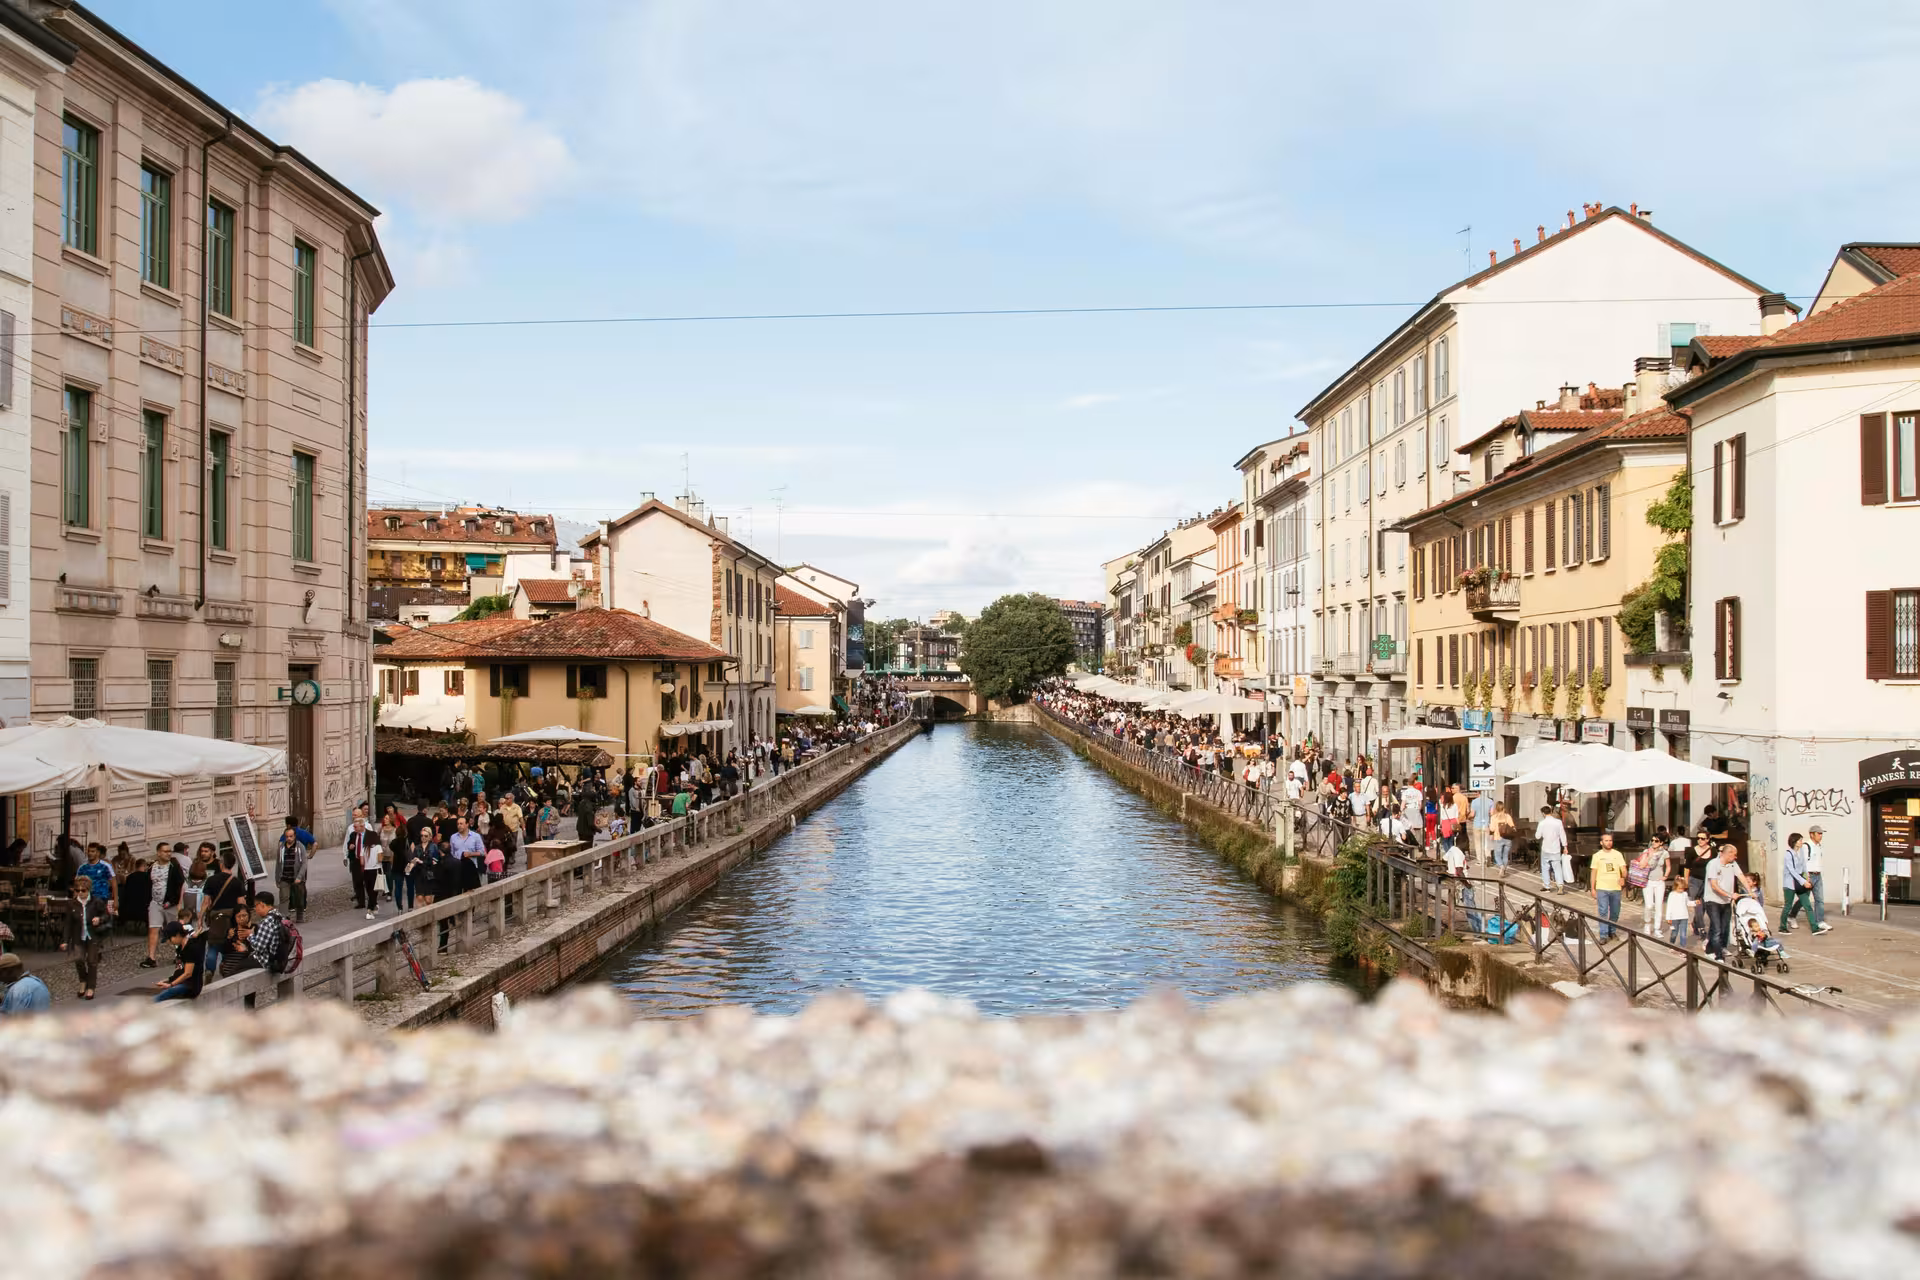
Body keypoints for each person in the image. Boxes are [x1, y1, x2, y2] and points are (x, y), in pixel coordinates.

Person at [59, 874, 111, 1000]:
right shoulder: (72, 904)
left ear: (88, 890)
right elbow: (68, 924)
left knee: (92, 961)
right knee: (79, 959)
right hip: (78, 937)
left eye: (83, 890)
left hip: (93, 936)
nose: (80, 893)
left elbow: (106, 915)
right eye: (77, 890)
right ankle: (83, 980)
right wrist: (65, 941)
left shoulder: (96, 902)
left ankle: (91, 987)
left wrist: (99, 919)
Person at [1702, 842, 1754, 961]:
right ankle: (1718, 955)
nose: (1736, 857)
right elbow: (1714, 885)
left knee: (1723, 927)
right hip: (1713, 900)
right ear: (1728, 854)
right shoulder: (1713, 864)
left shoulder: (1733, 864)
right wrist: (1730, 894)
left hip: (1726, 901)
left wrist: (1750, 891)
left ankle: (1711, 949)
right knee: (1717, 928)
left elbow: (1741, 877)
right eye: (1734, 855)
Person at [153, 919, 209, 1002]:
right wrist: (167, 980)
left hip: (191, 986)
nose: (169, 942)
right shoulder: (180, 948)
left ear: (178, 935)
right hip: (183, 982)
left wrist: (170, 985)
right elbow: (180, 970)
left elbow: (188, 973)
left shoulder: (191, 948)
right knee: (160, 993)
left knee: (160, 997)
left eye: (170, 939)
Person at [344, 809, 383, 920]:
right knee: (358, 882)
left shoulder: (370, 835)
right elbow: (348, 844)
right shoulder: (353, 834)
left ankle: (372, 904)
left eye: (356, 827)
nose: (354, 828)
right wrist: (350, 847)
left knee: (371, 886)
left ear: (362, 826)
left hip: (372, 864)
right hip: (357, 860)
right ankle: (362, 902)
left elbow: (378, 849)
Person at [1589, 833, 1627, 941]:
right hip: (1602, 887)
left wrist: (1623, 877)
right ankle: (1603, 935)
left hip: (1615, 888)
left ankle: (1612, 931)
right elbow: (1593, 873)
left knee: (1615, 912)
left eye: (1610, 840)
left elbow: (1624, 869)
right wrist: (1592, 888)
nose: (1609, 843)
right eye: (1606, 840)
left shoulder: (1618, 854)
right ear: (1601, 842)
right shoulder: (1597, 856)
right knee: (1603, 911)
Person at [1801, 825, 1833, 934]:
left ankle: (1819, 921)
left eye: (1821, 833)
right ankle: (1791, 915)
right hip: (1809, 875)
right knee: (1803, 899)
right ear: (1811, 834)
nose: (1820, 835)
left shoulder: (1819, 846)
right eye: (1818, 833)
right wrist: (1805, 877)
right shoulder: (1806, 846)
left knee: (1819, 900)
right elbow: (1803, 863)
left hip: (1818, 875)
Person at [275, 824, 310, 924]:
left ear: (294, 836)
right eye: (287, 836)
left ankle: (300, 916)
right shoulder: (281, 848)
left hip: (297, 877)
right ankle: (283, 917)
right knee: (283, 898)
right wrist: (277, 878)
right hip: (284, 877)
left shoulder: (300, 847)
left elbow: (304, 863)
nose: (289, 838)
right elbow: (278, 864)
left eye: (291, 836)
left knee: (299, 898)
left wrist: (300, 877)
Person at [1636, 840, 1670, 935]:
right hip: (1648, 881)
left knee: (1659, 906)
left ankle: (1657, 928)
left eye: (1656, 841)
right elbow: (1641, 866)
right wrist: (1650, 856)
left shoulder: (1664, 853)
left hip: (1659, 882)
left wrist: (1665, 876)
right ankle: (1647, 923)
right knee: (1649, 905)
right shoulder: (1646, 851)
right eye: (1652, 840)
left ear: (1661, 843)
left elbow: (1668, 866)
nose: (1653, 842)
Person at [1536, 805, 1568, 891]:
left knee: (1545, 867)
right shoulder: (1558, 822)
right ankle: (1560, 885)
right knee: (1557, 867)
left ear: (1543, 813)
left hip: (1546, 848)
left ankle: (1546, 886)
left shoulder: (1542, 823)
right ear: (1551, 812)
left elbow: (1537, 836)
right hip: (1556, 848)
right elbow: (1562, 835)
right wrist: (1565, 846)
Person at [78, 842, 115, 907]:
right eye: (89, 851)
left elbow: (112, 882)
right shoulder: (85, 866)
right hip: (91, 897)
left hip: (102, 897)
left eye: (93, 851)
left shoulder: (106, 864)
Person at [1664, 868, 1691, 946]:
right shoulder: (1672, 894)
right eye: (1680, 888)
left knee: (1683, 934)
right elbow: (1669, 906)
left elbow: (1688, 903)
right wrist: (1668, 917)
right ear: (1675, 887)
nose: (1681, 890)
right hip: (1674, 917)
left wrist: (1695, 903)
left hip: (1684, 917)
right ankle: (1671, 945)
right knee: (1674, 933)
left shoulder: (1685, 894)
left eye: (1683, 888)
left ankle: (1683, 948)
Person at [1470, 789, 1493, 867]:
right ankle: (1488, 856)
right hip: (1486, 824)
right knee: (1487, 843)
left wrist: (1469, 817)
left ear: (1478, 792)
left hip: (1477, 824)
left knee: (1478, 843)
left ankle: (1480, 860)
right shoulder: (1490, 801)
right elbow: (1492, 813)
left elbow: (1472, 814)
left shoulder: (1474, 801)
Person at [1489, 801, 1515, 873]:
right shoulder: (1507, 816)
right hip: (1508, 838)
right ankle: (1504, 870)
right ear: (1503, 808)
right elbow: (1512, 826)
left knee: (1497, 855)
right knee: (1505, 855)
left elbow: (1492, 829)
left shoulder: (1494, 817)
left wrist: (1489, 826)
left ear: (1496, 808)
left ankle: (1501, 866)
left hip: (1498, 838)